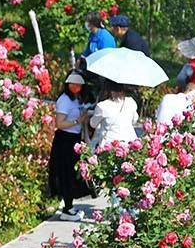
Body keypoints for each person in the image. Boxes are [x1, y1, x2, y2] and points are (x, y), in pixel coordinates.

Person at [48, 72, 91, 219]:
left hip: (74, 138)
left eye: (79, 85)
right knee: (66, 173)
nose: (76, 87)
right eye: (73, 84)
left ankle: (69, 205)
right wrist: (77, 121)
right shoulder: (64, 100)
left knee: (73, 173)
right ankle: (67, 208)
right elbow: (60, 124)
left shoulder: (76, 99)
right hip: (65, 139)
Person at [88, 82, 140, 153]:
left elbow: (93, 124)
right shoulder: (131, 102)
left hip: (110, 146)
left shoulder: (102, 106)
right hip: (129, 145)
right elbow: (134, 120)